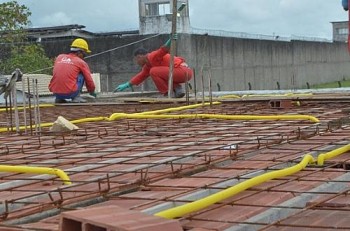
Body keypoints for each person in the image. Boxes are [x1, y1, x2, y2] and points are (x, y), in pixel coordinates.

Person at [114, 35, 193, 98]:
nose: (137, 62)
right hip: (181, 73)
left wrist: (170, 41)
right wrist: (128, 84)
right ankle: (177, 89)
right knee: (155, 71)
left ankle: (167, 93)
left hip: (182, 70)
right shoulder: (148, 66)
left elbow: (163, 50)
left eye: (136, 60)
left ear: (139, 57)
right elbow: (141, 76)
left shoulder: (152, 56)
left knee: (154, 71)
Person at [49, 38, 96, 103]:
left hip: (56, 92)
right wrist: (92, 91)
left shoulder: (59, 57)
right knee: (81, 74)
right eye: (84, 54)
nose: (84, 56)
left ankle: (59, 98)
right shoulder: (80, 62)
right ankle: (76, 97)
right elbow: (89, 80)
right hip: (70, 93)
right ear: (79, 52)